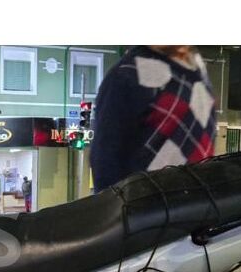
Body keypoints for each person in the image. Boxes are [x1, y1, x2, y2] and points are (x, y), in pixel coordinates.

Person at [90, 45, 217, 192]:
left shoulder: (197, 68)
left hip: (197, 202)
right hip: (152, 205)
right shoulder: (129, 74)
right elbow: (105, 159)